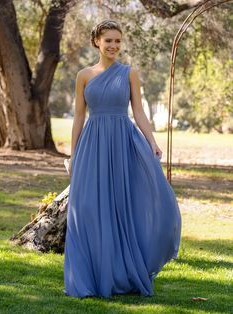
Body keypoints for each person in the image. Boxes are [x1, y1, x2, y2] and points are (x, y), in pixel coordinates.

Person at [63, 19, 182, 299]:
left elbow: (139, 112)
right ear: (97, 42)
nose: (114, 46)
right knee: (89, 209)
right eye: (108, 41)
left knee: (121, 206)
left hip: (123, 143)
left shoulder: (130, 73)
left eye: (118, 40)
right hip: (92, 144)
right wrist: (73, 153)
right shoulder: (84, 75)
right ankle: (90, 276)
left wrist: (152, 143)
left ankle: (124, 272)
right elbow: (79, 116)